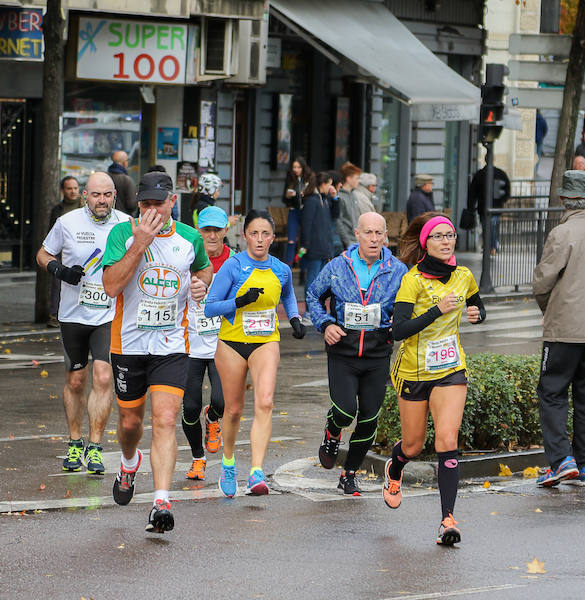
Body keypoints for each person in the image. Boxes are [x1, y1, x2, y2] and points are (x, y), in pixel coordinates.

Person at [102, 171, 212, 533]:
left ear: (172, 202)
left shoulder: (190, 238)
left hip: (171, 346)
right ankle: (129, 462)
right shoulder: (122, 233)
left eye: (158, 204)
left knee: (165, 420)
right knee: (130, 423)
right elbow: (112, 286)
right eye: (145, 204)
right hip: (129, 345)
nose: (152, 210)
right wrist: (140, 243)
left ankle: (161, 501)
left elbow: (204, 269)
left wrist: (200, 285)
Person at [382, 212, 485, 546]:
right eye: (438, 236)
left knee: (447, 439)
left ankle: (447, 520)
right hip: (413, 371)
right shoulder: (412, 279)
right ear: (425, 242)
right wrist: (436, 311)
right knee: (413, 445)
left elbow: (478, 307)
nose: (446, 240)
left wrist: (476, 314)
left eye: (450, 235)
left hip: (450, 370)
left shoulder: (465, 276)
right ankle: (395, 467)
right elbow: (398, 330)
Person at [204, 210, 305, 498]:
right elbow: (210, 307)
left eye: (265, 234)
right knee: (234, 409)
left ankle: (257, 472)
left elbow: (286, 293)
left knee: (265, 402)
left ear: (273, 238)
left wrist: (294, 318)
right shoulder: (233, 267)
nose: (260, 239)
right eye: (254, 233)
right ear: (244, 236)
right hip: (232, 343)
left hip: (265, 341)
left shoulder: (281, 268)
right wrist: (239, 301)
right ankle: (228, 462)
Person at [307, 212, 408, 495]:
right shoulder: (338, 266)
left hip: (377, 354)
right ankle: (332, 430)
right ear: (357, 234)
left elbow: (411, 305)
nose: (374, 239)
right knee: (344, 410)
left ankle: (349, 473)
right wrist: (325, 324)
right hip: (343, 351)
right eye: (368, 233)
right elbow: (314, 296)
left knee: (368, 418)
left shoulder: (397, 270)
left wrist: (398, 326)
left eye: (379, 233)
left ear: (386, 236)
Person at [37, 172, 129, 474]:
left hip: (109, 314)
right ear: (84, 196)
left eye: (106, 195)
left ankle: (95, 447)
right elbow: (42, 253)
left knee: (103, 378)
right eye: (95, 195)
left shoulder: (128, 225)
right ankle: (75, 443)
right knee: (76, 381)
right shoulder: (68, 222)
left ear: (114, 195)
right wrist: (60, 271)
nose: (101, 200)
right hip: (73, 314)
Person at [532, 170, 585, 489]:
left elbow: (542, 282)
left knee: (551, 391)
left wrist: (548, 310)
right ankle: (584, 467)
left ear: (565, 200)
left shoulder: (562, 233)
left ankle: (561, 460)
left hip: (565, 329)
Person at [182, 206, 234, 481]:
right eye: (206, 230)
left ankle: (213, 419)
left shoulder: (235, 262)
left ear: (226, 230)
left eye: (217, 230)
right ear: (198, 232)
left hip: (222, 344)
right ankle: (197, 458)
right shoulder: (185, 257)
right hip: (189, 345)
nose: (212, 236)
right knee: (189, 408)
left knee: (220, 400)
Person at [300, 172, 340, 322]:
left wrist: (335, 198)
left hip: (324, 246)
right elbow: (306, 224)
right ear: (322, 184)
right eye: (329, 183)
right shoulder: (312, 200)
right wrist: (305, 245)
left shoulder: (324, 199)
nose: (330, 187)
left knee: (323, 280)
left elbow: (335, 215)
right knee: (312, 279)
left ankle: (319, 310)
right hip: (315, 247)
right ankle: (310, 311)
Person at [49, 176, 84, 324]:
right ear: (63, 190)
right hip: (62, 252)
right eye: (69, 188)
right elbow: (52, 233)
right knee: (58, 283)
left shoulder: (84, 207)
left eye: (75, 188)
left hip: (81, 250)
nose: (73, 191)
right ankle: (54, 314)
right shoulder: (57, 210)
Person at [466, 164, 511, 254]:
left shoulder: (480, 174)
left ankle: (489, 246)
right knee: (493, 227)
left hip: (483, 207)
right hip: (496, 207)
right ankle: (492, 246)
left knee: (486, 227)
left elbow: (472, 192)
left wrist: (470, 206)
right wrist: (503, 200)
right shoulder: (500, 173)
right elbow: (507, 188)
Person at [336, 162, 373, 251]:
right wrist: (347, 241)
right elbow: (339, 221)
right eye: (356, 178)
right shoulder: (340, 197)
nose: (358, 181)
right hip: (345, 243)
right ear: (348, 179)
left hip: (354, 240)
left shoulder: (353, 195)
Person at [282, 157, 313, 266]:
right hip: (294, 211)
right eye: (294, 167)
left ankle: (302, 269)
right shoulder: (290, 179)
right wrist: (289, 196)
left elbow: (311, 196)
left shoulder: (309, 179)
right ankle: (288, 267)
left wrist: (302, 194)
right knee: (291, 241)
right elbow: (284, 199)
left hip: (305, 212)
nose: (296, 169)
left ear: (303, 168)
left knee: (304, 243)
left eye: (298, 167)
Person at [108, 150, 137, 215]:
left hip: (107, 217)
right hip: (123, 218)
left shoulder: (105, 177)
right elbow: (132, 205)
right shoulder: (127, 180)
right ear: (124, 163)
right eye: (127, 161)